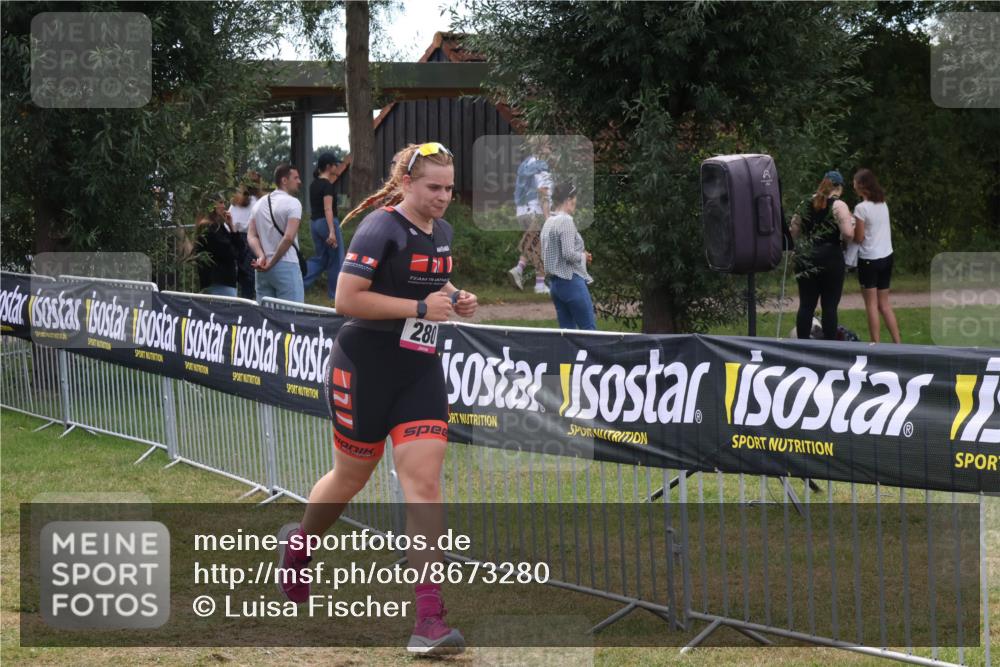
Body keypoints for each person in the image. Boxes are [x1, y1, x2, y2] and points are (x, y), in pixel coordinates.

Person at [275, 142, 477, 656]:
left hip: (418, 373)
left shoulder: (441, 231)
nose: (443, 197)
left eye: (449, 188)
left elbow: (431, 279)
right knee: (350, 478)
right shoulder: (379, 227)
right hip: (363, 369)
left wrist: (455, 297)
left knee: (424, 485)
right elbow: (345, 299)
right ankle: (299, 545)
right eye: (433, 187)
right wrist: (418, 307)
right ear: (406, 183)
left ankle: (429, 620)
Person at [789, 170, 855, 340]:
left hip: (807, 256)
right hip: (831, 257)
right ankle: (829, 346)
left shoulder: (805, 202)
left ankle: (802, 345)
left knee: (806, 305)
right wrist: (846, 243)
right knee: (829, 307)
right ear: (839, 188)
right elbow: (848, 233)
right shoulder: (839, 205)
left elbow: (793, 230)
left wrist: (797, 249)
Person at [852, 168, 901, 343]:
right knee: (884, 304)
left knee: (871, 305)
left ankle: (876, 345)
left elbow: (859, 238)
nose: (853, 185)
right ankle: (898, 343)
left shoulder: (860, 208)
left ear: (861, 185)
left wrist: (849, 232)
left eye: (855, 182)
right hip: (887, 256)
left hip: (869, 260)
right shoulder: (882, 203)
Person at [540, 182, 596, 330]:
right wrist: (583, 256)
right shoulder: (566, 221)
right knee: (590, 331)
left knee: (567, 333)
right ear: (569, 199)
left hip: (555, 286)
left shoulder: (549, 222)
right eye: (575, 198)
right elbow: (568, 254)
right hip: (571, 282)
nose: (576, 202)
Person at [247, 163, 305, 303]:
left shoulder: (258, 204)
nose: (299, 181)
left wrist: (261, 256)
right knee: (292, 314)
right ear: (284, 180)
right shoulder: (293, 203)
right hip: (286, 264)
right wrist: (272, 262)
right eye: (295, 178)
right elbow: (289, 237)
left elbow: (251, 235)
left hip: (262, 269)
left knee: (266, 315)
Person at [507, 143, 552, 294]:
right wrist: (547, 217)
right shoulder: (541, 166)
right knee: (541, 245)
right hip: (535, 210)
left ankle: (522, 271)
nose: (551, 148)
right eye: (548, 145)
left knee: (536, 244)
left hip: (522, 210)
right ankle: (535, 282)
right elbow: (543, 191)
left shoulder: (526, 164)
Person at [303, 152, 343, 302]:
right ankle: (335, 296)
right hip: (327, 224)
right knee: (337, 259)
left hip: (314, 224)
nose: (337, 167)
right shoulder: (327, 185)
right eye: (335, 164)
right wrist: (332, 231)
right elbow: (328, 209)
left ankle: (300, 283)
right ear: (328, 166)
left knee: (322, 258)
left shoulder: (313, 184)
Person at [194, 197, 242, 297]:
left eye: (224, 202)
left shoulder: (218, 226)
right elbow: (231, 253)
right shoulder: (210, 227)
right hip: (219, 282)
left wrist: (231, 226)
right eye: (220, 202)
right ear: (212, 206)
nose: (224, 206)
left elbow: (239, 249)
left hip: (219, 281)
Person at [228, 177, 259, 300]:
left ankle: (239, 299)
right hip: (249, 239)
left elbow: (228, 221)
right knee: (249, 276)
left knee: (238, 274)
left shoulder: (234, 203)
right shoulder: (256, 202)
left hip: (234, 237)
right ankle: (248, 300)